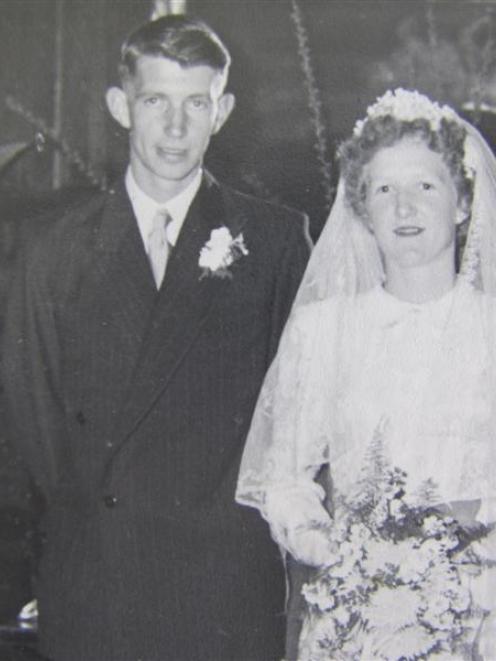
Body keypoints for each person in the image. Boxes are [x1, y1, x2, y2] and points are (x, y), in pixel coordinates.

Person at [0, 14, 311, 661]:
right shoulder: (51, 252)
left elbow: (300, 417)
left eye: (195, 103)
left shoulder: (277, 241)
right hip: (99, 586)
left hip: (222, 592)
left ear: (221, 110)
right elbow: (33, 425)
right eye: (155, 102)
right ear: (121, 107)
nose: (175, 127)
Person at [236, 88, 496, 659]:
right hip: (358, 618)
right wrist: (331, 547)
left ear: (460, 203)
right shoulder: (322, 331)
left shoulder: (490, 331)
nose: (404, 209)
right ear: (362, 209)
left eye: (425, 186)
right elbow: (284, 479)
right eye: (384, 190)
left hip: (482, 614)